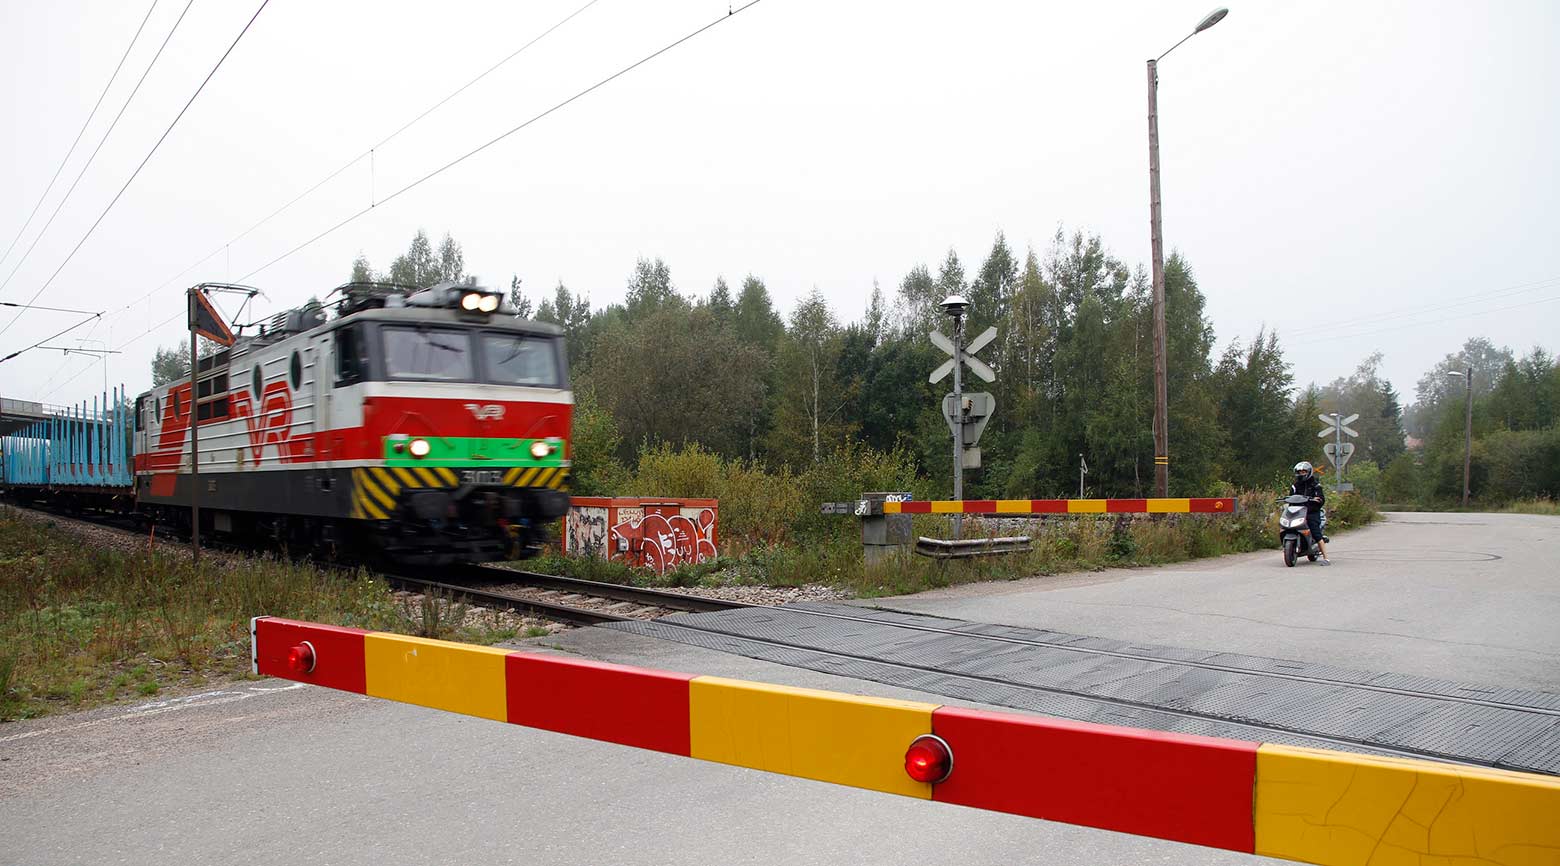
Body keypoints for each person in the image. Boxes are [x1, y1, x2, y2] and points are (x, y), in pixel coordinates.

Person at [1290, 461, 1330, 565]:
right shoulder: (1295, 486)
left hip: (1312, 512)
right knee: (1287, 525)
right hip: (1298, 512)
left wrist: (1318, 500)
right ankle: (1290, 547)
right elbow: (1291, 497)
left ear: (1309, 472)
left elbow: (1321, 498)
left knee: (1316, 533)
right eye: (1299, 472)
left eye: (1304, 471)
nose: (1301, 474)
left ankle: (1326, 558)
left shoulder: (1315, 485)